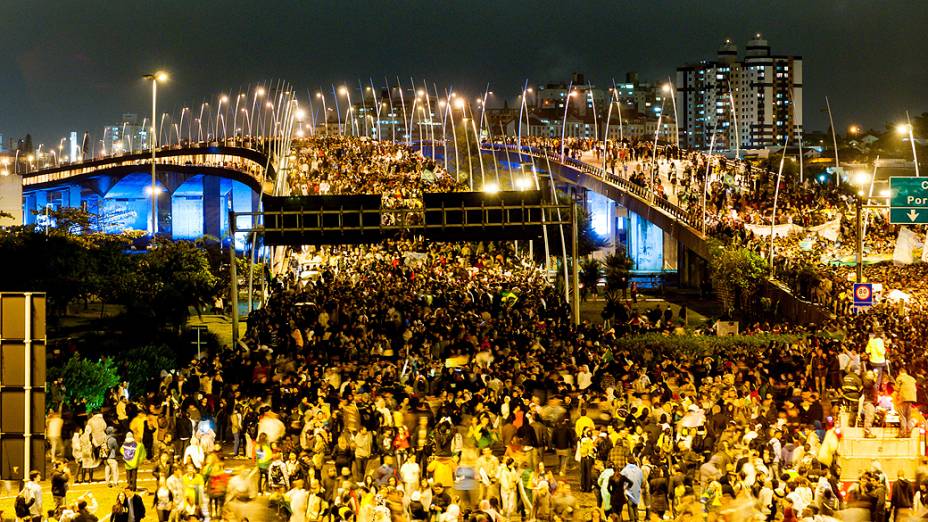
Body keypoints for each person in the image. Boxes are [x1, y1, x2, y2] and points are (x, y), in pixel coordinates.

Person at [896, 367, 918, 438]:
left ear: (900, 372)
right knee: (908, 416)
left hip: (903, 398)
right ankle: (908, 433)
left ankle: (902, 433)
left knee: (902, 416)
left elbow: (897, 388)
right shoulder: (912, 378)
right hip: (911, 398)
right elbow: (915, 389)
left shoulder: (900, 377)